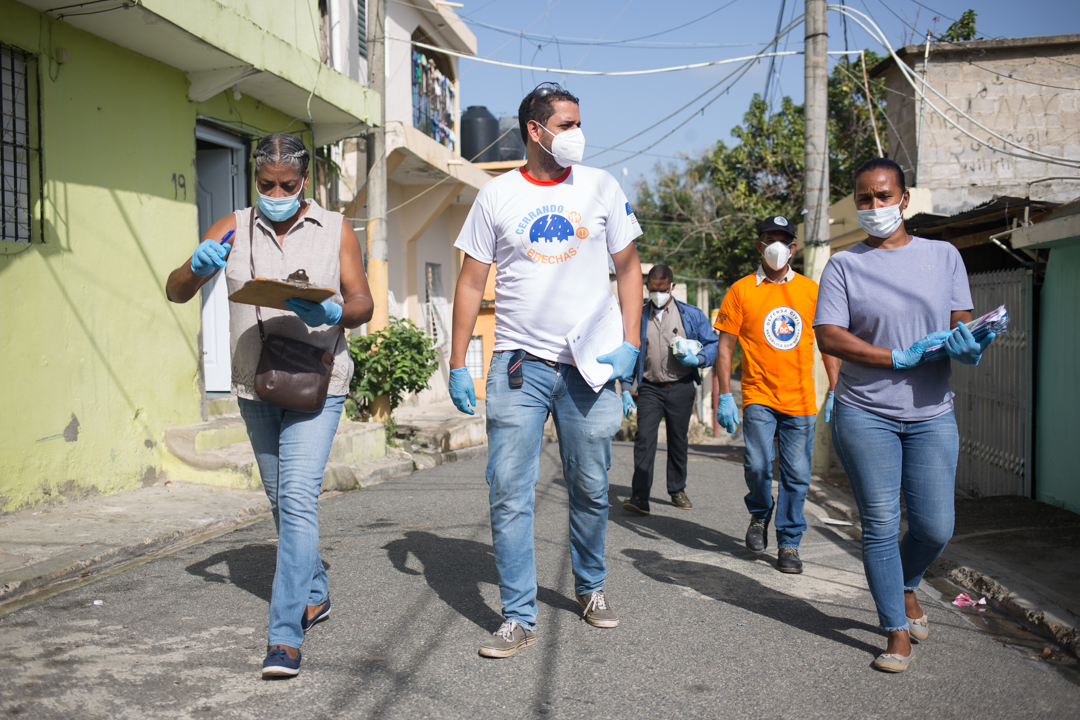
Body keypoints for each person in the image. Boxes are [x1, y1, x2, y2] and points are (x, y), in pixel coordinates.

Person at [166, 133, 373, 678]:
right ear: (254, 179)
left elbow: (362, 301)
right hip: (254, 381)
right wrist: (197, 263)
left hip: (318, 381)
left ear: (305, 180)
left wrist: (334, 312)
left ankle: (285, 636)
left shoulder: (335, 229)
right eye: (265, 184)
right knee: (282, 499)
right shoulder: (232, 227)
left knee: (298, 499)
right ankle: (316, 593)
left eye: (286, 185)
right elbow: (176, 290)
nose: (276, 193)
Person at [448, 82, 643, 659]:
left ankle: (590, 587)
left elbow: (629, 270)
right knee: (509, 490)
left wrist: (630, 345)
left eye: (579, 122)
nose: (577, 134)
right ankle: (517, 615)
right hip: (517, 366)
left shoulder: (602, 187)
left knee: (589, 485)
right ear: (535, 130)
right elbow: (469, 281)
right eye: (566, 123)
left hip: (590, 365)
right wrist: (457, 362)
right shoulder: (496, 195)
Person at [814, 157, 994, 672]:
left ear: (904, 199)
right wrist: (895, 357)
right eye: (864, 199)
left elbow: (962, 321)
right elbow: (829, 334)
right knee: (879, 524)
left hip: (931, 412)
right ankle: (895, 629)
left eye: (884, 196)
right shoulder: (845, 265)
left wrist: (969, 342)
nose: (874, 207)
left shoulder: (944, 256)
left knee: (936, 527)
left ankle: (907, 583)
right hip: (865, 411)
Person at [714, 216, 840, 574]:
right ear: (759, 246)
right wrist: (726, 394)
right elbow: (726, 348)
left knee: (797, 474)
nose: (776, 245)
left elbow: (829, 343)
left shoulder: (811, 291)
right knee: (756, 464)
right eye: (770, 239)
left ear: (793, 248)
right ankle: (759, 513)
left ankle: (789, 542)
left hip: (800, 399)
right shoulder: (741, 291)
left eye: (783, 240)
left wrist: (835, 388)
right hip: (758, 395)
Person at [622, 264, 718, 514]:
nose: (658, 294)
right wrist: (624, 388)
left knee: (678, 439)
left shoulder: (691, 315)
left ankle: (677, 490)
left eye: (663, 290)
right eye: (653, 290)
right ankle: (640, 496)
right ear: (647, 287)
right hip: (649, 388)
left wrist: (698, 360)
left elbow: (712, 344)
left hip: (681, 385)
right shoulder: (638, 316)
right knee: (644, 439)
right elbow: (628, 351)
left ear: (672, 287)